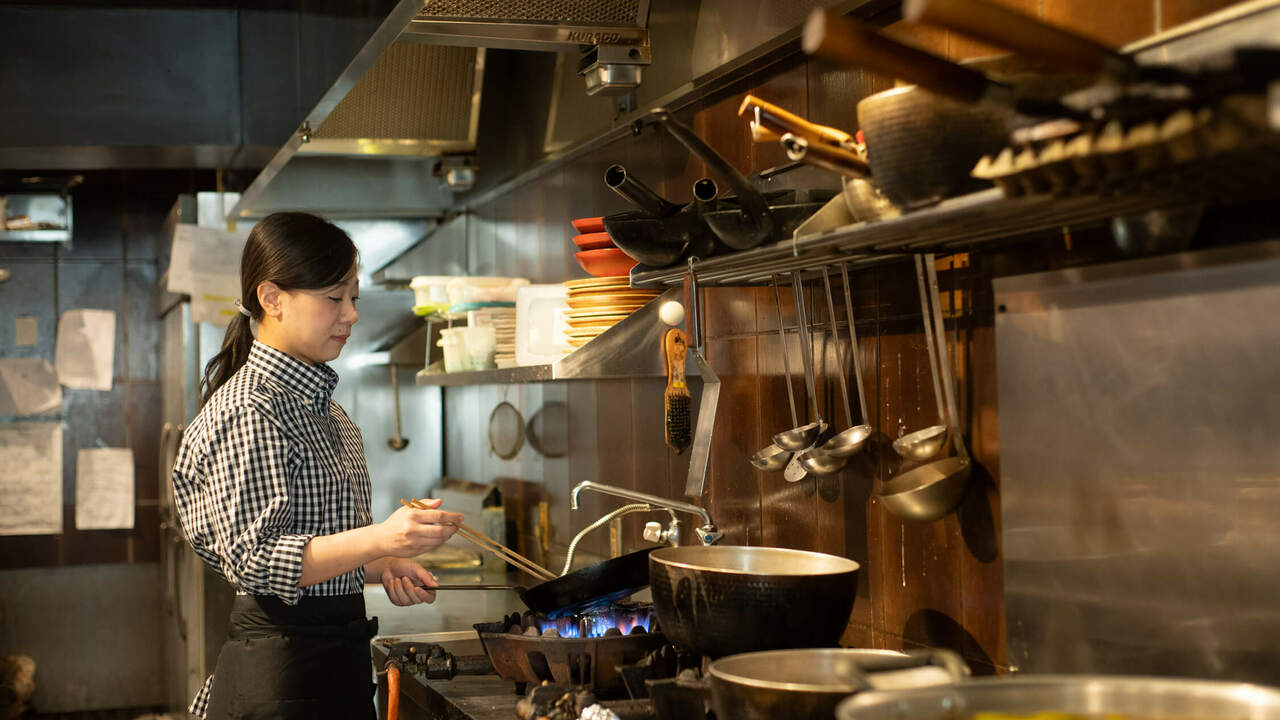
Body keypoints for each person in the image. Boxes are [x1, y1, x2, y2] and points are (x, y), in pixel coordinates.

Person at [171, 212, 461, 720]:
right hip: (281, 675)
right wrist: (381, 539)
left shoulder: (323, 407)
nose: (350, 315)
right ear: (272, 299)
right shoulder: (250, 409)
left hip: (329, 665)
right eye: (334, 297)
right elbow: (256, 561)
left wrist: (379, 563)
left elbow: (311, 541)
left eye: (354, 298)